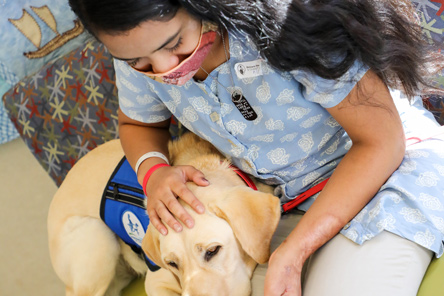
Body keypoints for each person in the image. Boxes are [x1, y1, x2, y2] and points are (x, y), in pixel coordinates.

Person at [68, 0, 444, 295]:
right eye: (138, 61)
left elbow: (381, 143)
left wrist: (293, 252)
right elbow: (137, 123)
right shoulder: (141, 50)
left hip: (387, 177)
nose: (166, 69)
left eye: (175, 43)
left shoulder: (296, 21)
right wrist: (153, 172)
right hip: (284, 203)